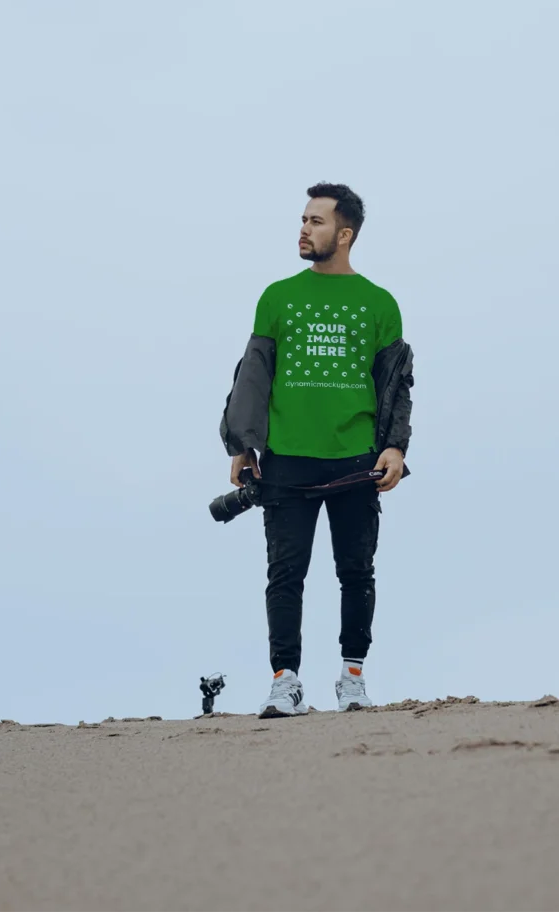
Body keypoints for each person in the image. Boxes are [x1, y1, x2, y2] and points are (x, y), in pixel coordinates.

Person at [220, 183, 414, 718]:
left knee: (356, 571)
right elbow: (253, 377)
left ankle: (353, 679)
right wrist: (243, 446)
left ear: (345, 234)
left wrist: (395, 446)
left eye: (317, 221)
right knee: (285, 574)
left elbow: (396, 385)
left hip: (356, 462)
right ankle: (286, 682)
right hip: (286, 459)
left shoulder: (379, 304)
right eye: (303, 219)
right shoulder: (277, 296)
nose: (304, 229)